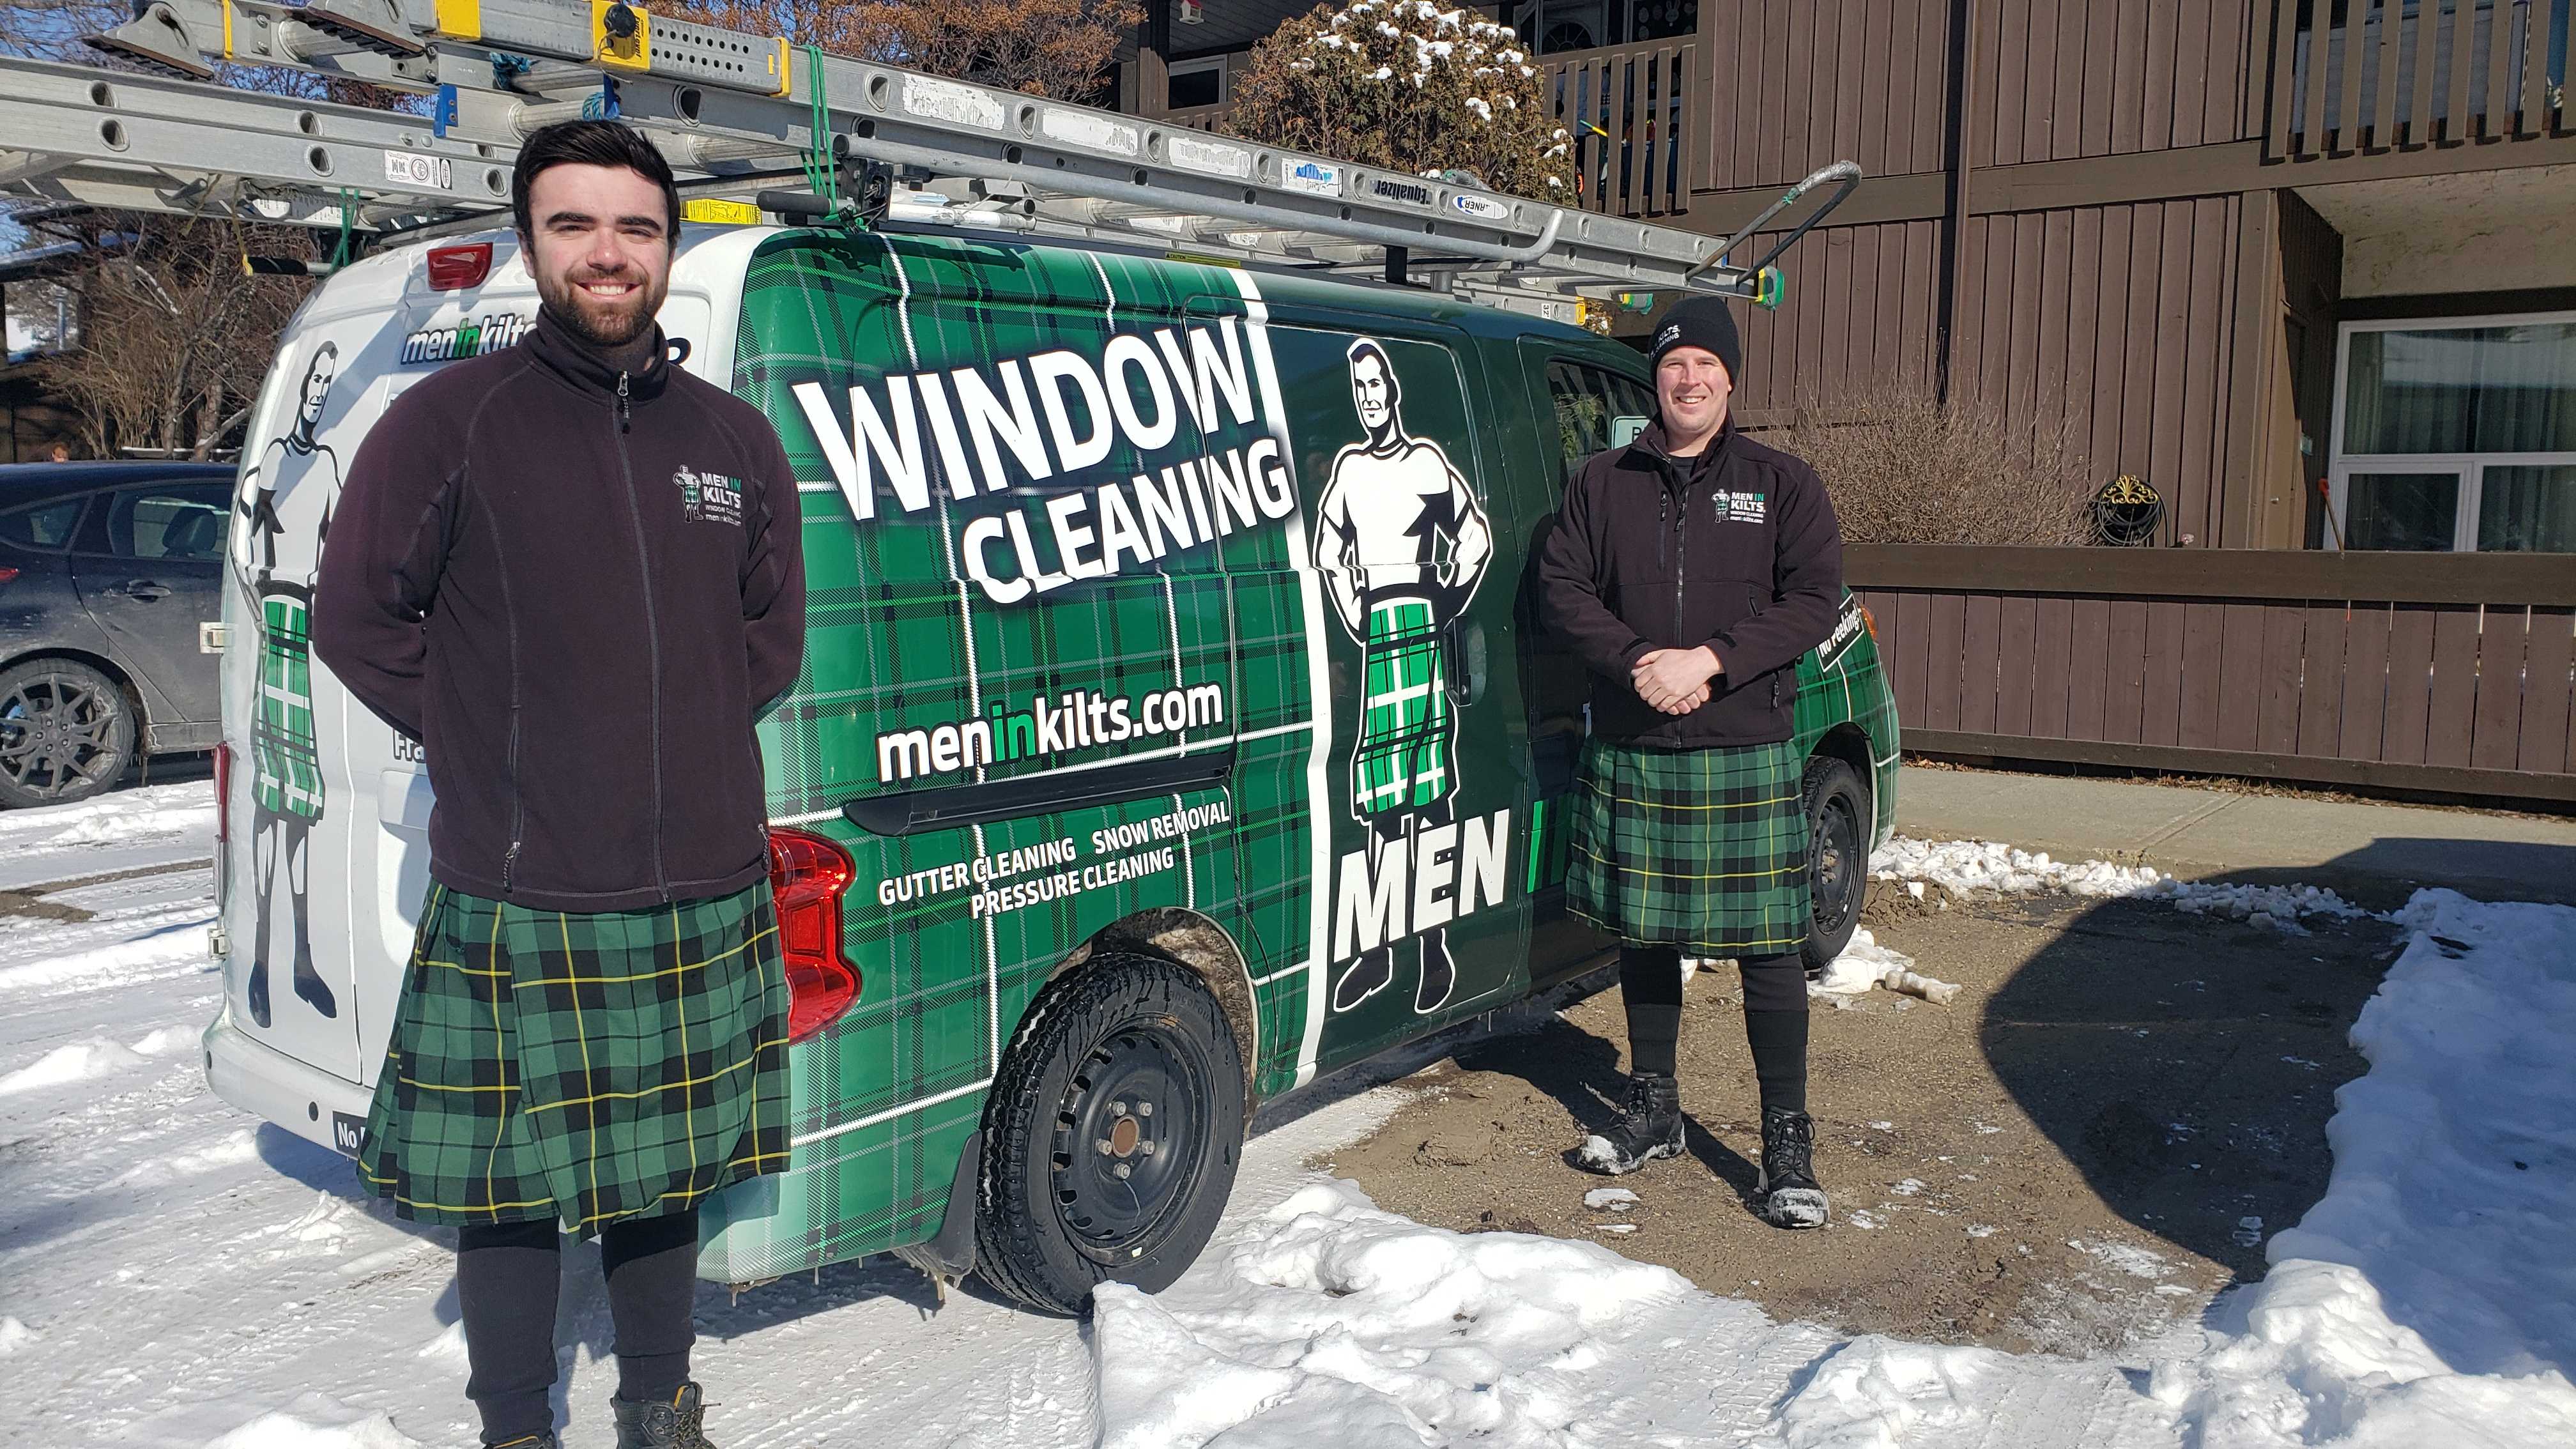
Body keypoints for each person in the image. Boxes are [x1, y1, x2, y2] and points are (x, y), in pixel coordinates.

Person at [314, 120, 806, 1449]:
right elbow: (357, 619)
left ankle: (659, 1404)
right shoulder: (449, 422)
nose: (607, 252)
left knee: (668, 1179)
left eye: (635, 227)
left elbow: (767, 643)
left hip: (702, 870)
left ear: (668, 247)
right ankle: (516, 1429)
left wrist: (680, 740)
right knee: (508, 1192)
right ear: (531, 243)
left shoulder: (735, 441)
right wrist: (497, 742)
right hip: (523, 885)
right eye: (574, 223)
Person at [1537, 295, 1845, 1229]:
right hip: (1636, 735)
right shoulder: (1602, 481)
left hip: (1741, 739)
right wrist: (1639, 662)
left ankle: (1785, 1139)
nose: (1690, 378)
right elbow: (1563, 587)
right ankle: (1655, 1106)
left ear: (1731, 379)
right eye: (1675, 364)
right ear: (1656, 378)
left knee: (1768, 947)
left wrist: (1709, 662)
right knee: (1646, 934)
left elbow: (1813, 599)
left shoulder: (1782, 482)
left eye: (1707, 364)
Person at [1312, 338, 1494, 1015]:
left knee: (1432, 789)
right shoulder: (1350, 470)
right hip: (1379, 632)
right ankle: (1377, 953)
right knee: (1384, 790)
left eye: (1375, 384)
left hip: (1423, 620)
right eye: (1358, 388)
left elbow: (1474, 536)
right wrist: (1354, 611)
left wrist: (1446, 599)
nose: (1368, 398)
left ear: (1391, 390)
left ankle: (1434, 951)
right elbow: (1328, 551)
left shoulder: (1425, 463)